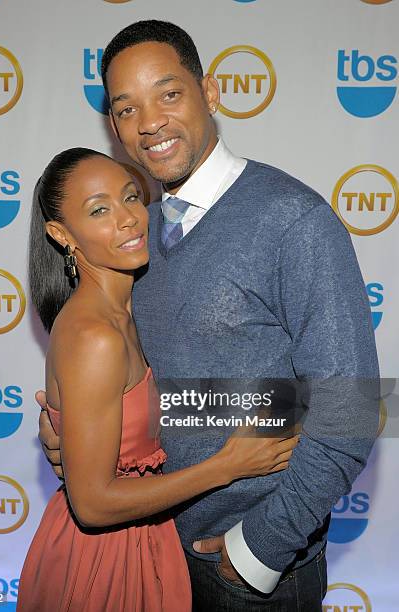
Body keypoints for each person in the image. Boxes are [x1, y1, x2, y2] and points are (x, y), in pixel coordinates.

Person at [37, 21, 380, 611]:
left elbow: (349, 404)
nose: (149, 123)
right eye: (126, 109)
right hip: (145, 554)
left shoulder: (291, 219)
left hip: (245, 567)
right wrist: (84, 435)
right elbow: (174, 388)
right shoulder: (134, 233)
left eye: (168, 94)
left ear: (211, 92)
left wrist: (259, 551)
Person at [17, 147, 299, 612]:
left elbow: (151, 407)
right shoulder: (96, 336)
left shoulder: (133, 301)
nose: (128, 219)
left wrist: (297, 410)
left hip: (144, 542)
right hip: (105, 562)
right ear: (61, 235)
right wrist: (226, 465)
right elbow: (92, 504)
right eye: (99, 210)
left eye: (131, 197)